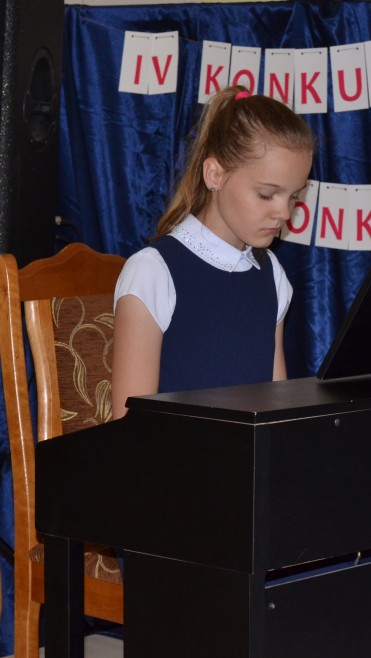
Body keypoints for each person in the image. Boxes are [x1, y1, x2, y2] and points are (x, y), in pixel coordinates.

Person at [111, 85, 314, 419]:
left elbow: (276, 408)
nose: (284, 213)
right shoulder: (153, 272)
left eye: (294, 196)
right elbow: (128, 425)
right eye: (266, 195)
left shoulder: (272, 273)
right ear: (215, 175)